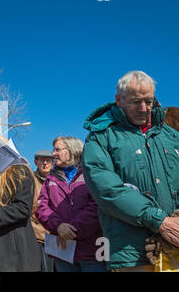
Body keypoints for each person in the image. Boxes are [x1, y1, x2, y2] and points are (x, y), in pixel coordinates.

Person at [82, 71, 179, 272]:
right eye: (136, 102)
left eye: (149, 101)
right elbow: (107, 190)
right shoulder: (101, 136)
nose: (144, 109)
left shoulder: (170, 135)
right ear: (119, 100)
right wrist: (159, 221)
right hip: (130, 255)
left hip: (174, 249)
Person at [36, 136, 106, 272]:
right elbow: (42, 208)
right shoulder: (50, 180)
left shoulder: (90, 174)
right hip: (62, 251)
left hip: (93, 250)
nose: (53, 154)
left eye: (57, 150)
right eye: (53, 150)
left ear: (72, 151)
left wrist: (73, 229)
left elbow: (97, 204)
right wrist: (59, 227)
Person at [31, 150, 54, 271]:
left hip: (56, 235)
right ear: (36, 162)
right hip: (37, 235)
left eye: (48, 160)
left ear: (53, 163)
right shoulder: (30, 180)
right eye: (42, 160)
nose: (45, 163)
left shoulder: (58, 180)